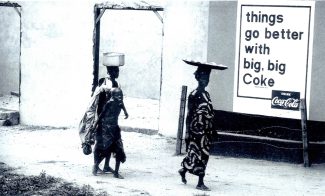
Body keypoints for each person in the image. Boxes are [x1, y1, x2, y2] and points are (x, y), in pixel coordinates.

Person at [178, 60, 227, 191]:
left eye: (207, 77)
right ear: (198, 77)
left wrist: (213, 129)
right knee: (201, 155)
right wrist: (187, 132)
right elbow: (189, 115)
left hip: (206, 131)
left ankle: (183, 170)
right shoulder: (193, 95)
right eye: (203, 77)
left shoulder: (206, 94)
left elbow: (210, 113)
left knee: (195, 154)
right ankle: (200, 182)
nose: (205, 80)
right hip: (196, 131)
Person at [79, 55, 128, 177]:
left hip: (112, 119)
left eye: (118, 70)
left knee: (112, 144)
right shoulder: (103, 82)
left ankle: (106, 165)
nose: (117, 73)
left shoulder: (117, 83)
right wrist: (96, 120)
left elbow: (120, 100)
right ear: (110, 71)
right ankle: (95, 166)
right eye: (115, 70)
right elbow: (96, 101)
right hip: (102, 118)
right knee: (101, 144)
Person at [93, 87, 127, 178]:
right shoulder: (109, 103)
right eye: (118, 95)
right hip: (106, 129)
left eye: (121, 95)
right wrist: (95, 125)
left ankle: (116, 173)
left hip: (115, 129)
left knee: (119, 150)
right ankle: (95, 166)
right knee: (106, 150)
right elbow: (101, 115)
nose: (120, 97)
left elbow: (122, 105)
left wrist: (126, 112)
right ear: (112, 96)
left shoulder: (120, 102)